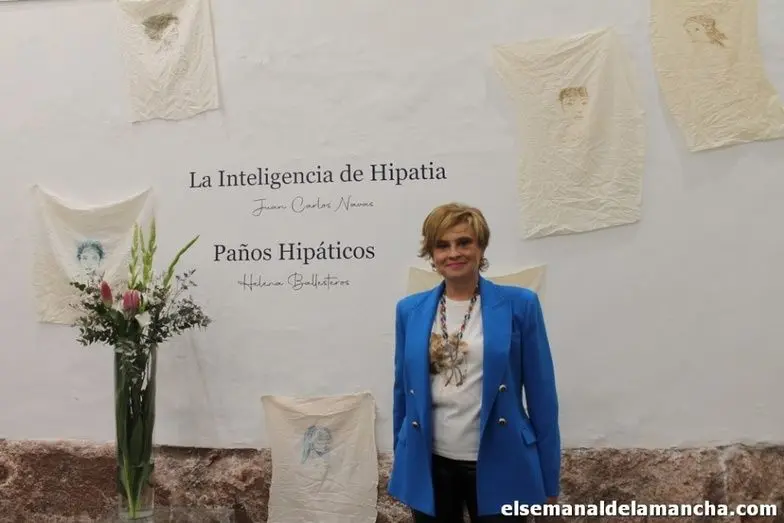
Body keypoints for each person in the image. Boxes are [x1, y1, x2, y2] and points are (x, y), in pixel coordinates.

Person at [387, 203, 561, 522]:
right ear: (432, 254)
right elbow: (403, 392)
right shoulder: (409, 310)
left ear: (480, 248)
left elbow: (543, 397)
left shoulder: (520, 305)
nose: (453, 253)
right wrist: (403, 459)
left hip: (502, 459)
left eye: (464, 242)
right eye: (443, 245)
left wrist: (549, 476)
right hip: (430, 463)